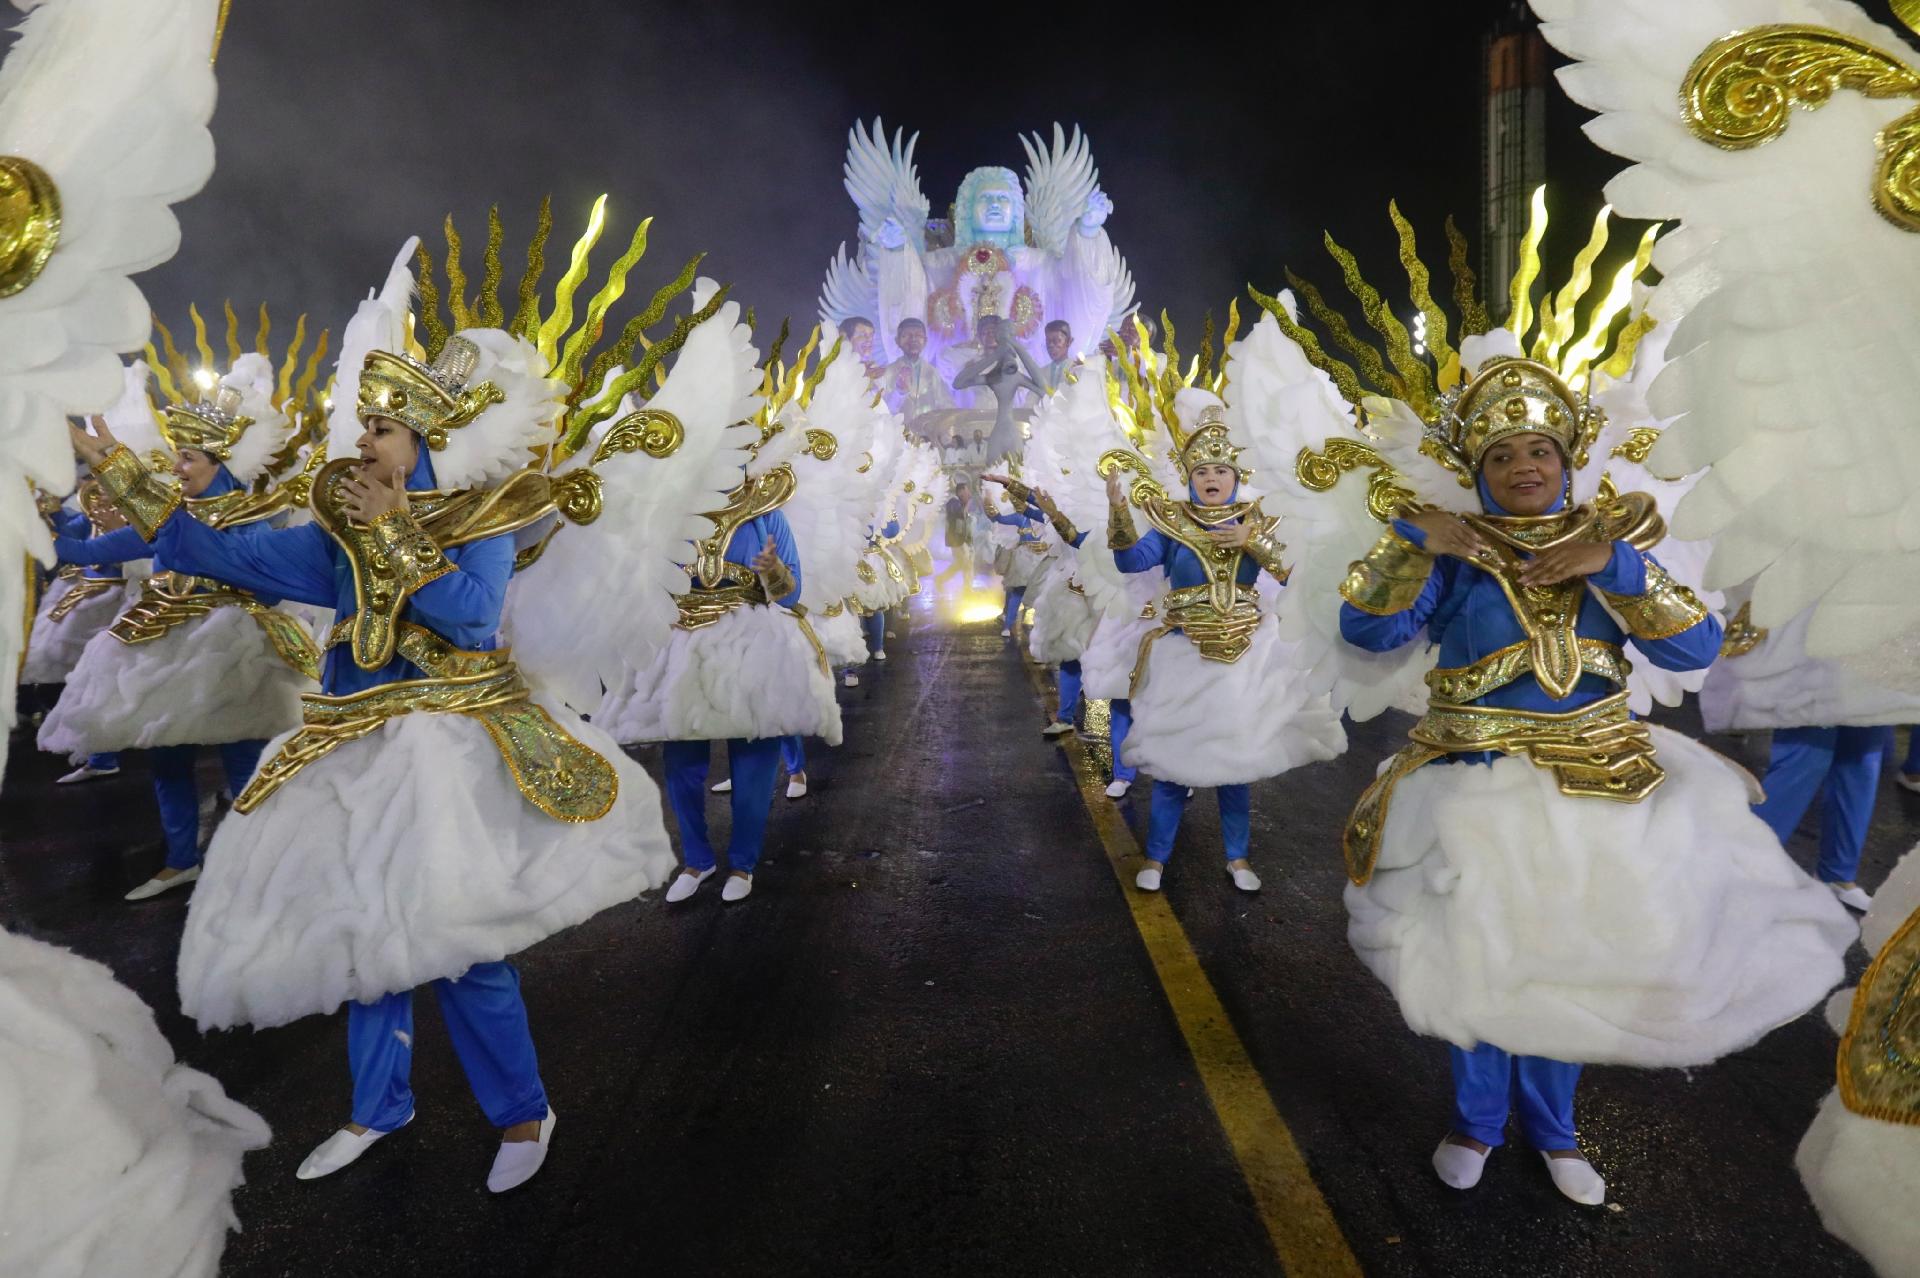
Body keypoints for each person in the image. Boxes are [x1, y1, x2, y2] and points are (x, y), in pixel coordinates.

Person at [71, 323, 679, 1193]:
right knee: (363, 936)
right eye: (365, 425)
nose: (363, 439)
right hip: (352, 749)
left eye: (382, 429)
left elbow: (471, 618)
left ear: (428, 443)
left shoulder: (482, 516)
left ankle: (522, 1110)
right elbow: (217, 551)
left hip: (447, 755)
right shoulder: (338, 529)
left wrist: (395, 531)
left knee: (464, 949)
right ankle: (378, 1107)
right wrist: (121, 474)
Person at [1336, 354, 1854, 1207]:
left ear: (1567, 460)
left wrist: (1613, 564)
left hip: (1594, 784)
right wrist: (1410, 540)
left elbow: (1693, 650)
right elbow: (1367, 633)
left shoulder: (1609, 543)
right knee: (1477, 955)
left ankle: (1554, 1129)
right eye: (1502, 454)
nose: (1524, 465)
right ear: (1479, 471)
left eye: (1539, 449)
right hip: (1474, 785)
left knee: (1570, 961)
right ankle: (1475, 1122)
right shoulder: (1457, 551)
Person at [40, 359, 318, 901]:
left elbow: (268, 588)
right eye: (178, 455)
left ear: (222, 462)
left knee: (244, 764)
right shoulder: (168, 516)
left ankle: (248, 869)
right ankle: (180, 861)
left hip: (233, 648)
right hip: (164, 645)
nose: (177, 466)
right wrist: (32, 525)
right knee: (165, 757)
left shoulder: (255, 518)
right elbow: (85, 551)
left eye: (188, 457)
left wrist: (221, 588)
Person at [1106, 392, 1344, 891]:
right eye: (1201, 472)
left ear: (1235, 477)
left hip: (1243, 658)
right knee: (1172, 768)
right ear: (1189, 478)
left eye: (1220, 471)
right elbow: (1130, 562)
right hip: (1183, 654)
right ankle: (1156, 857)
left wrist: (1252, 541)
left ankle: (1237, 857)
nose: (1211, 479)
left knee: (1236, 767)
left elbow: (1295, 574)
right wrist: (1118, 508)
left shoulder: (1259, 520)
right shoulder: (1171, 521)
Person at [882, 317, 954, 428]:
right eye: (907, 335)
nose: (913, 339)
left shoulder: (933, 373)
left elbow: (946, 406)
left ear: (925, 341)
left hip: (927, 433)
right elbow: (883, 411)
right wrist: (899, 392)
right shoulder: (888, 372)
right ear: (897, 341)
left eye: (918, 335)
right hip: (898, 433)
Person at [1037, 320, 1079, 394]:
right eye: (1048, 341)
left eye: (1057, 341)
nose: (1051, 345)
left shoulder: (1077, 370)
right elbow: (1032, 397)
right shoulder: (1041, 373)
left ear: (1069, 341)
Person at [839, 315, 883, 380]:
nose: (869, 339)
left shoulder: (875, 370)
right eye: (862, 334)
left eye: (871, 335)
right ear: (846, 338)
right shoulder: (838, 368)